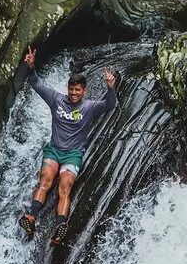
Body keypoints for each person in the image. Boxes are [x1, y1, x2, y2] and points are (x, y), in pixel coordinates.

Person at [19, 46, 118, 244]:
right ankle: (31, 217)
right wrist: (31, 67)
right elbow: (36, 83)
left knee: (65, 187)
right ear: (67, 89)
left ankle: (60, 226)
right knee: (45, 181)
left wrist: (110, 88)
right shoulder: (56, 100)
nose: (73, 93)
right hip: (53, 151)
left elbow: (110, 105)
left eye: (77, 90)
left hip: (73, 155)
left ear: (84, 91)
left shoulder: (89, 107)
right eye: (71, 89)